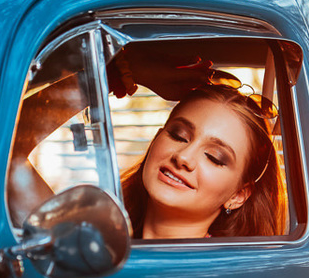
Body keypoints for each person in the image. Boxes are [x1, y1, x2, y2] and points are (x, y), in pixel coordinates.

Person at [119, 77, 283, 239]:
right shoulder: (100, 241)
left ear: (238, 195)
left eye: (214, 157)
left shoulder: (227, 266)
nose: (183, 157)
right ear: (156, 138)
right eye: (179, 136)